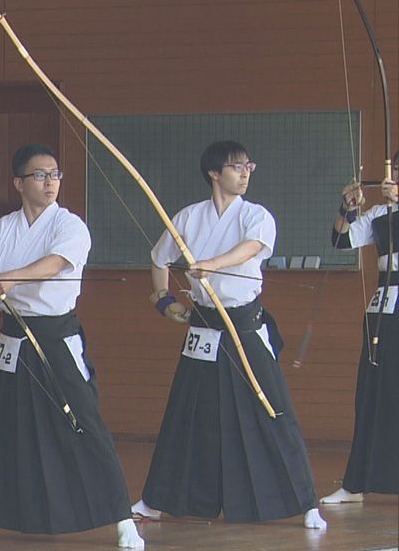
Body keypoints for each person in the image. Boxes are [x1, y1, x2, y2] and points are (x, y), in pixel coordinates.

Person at [0, 144, 143, 550]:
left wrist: (11, 279)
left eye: (55, 174)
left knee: (84, 421)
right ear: (19, 183)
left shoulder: (70, 226)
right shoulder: (2, 228)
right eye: (40, 175)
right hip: (13, 337)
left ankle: (122, 518)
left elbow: (55, 264)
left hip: (55, 337)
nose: (50, 182)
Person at [132, 140, 325, 529]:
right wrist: (164, 300)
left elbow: (251, 248)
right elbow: (158, 257)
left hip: (245, 325)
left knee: (271, 407)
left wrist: (211, 265)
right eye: (237, 167)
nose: (246, 172)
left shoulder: (256, 216)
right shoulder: (188, 217)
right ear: (214, 173)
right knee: (185, 412)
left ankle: (306, 503)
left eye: (248, 166)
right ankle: (156, 500)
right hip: (204, 324)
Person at [321, 151, 398, 504]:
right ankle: (357, 483)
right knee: (373, 393)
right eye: (395, 171)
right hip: (384, 310)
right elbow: (340, 240)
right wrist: (347, 207)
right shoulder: (381, 214)